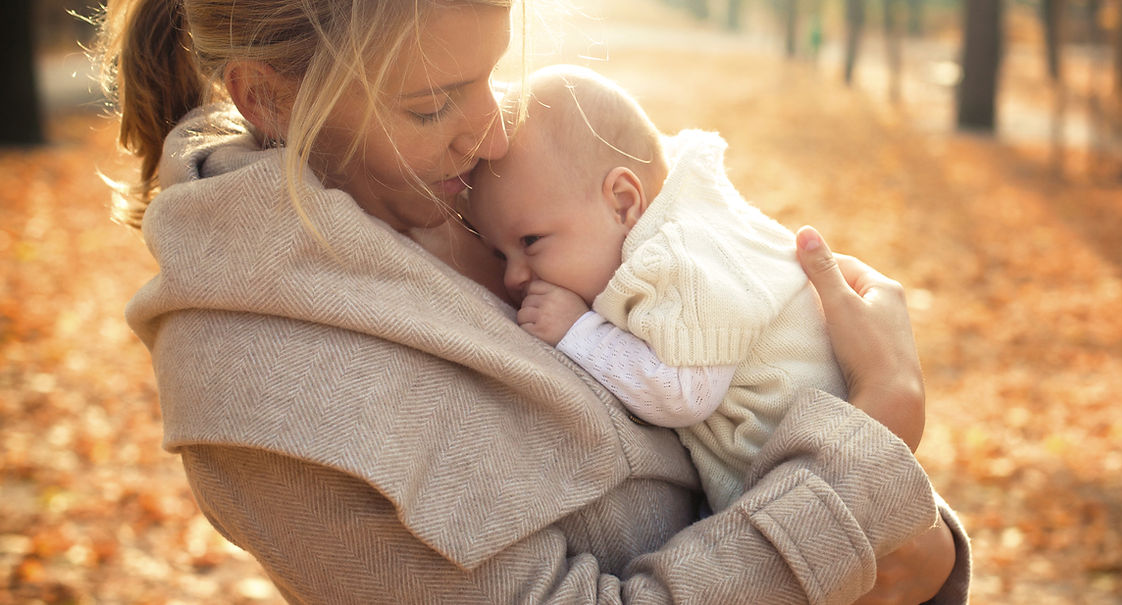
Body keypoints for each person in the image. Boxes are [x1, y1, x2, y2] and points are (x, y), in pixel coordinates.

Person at [97, 0, 971, 602]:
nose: (494, 130)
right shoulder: (265, 396)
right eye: (434, 102)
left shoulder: (497, 171)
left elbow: (733, 353)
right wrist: (876, 438)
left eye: (492, 75)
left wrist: (914, 539)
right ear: (270, 98)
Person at [467, 65, 924, 513]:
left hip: (824, 467)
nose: (514, 277)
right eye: (500, 255)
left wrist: (577, 331)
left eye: (530, 242)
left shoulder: (679, 258)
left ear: (623, 202)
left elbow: (685, 393)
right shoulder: (670, 225)